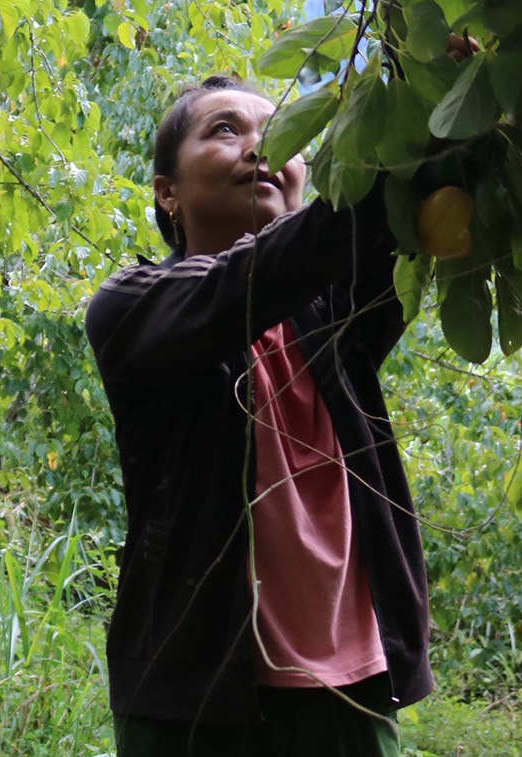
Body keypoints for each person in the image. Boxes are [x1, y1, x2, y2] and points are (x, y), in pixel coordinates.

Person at [83, 74, 433, 755]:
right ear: (168, 193)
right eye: (224, 130)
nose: (259, 148)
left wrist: (430, 62)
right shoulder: (133, 307)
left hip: (351, 689)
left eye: (279, 134)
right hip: (194, 701)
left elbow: (407, 203)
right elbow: (269, 270)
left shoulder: (336, 315)